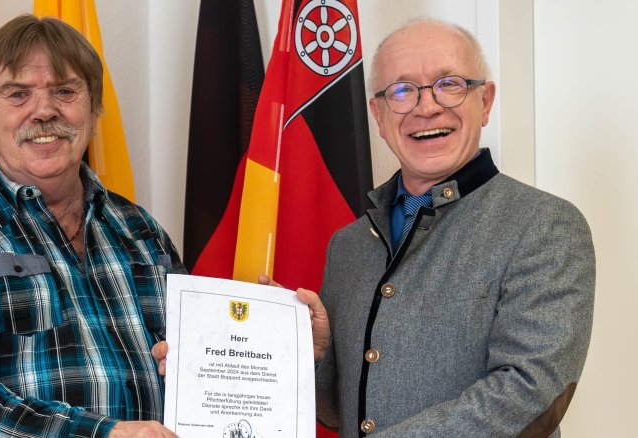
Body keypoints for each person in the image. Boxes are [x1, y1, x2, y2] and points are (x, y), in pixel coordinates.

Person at [155, 17, 594, 437]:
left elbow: (531, 394)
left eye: (449, 84)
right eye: (402, 90)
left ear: (486, 101)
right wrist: (313, 355)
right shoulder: (348, 245)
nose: (427, 107)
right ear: (379, 116)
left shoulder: (544, 226)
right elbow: (339, 411)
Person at [0, 15, 182, 437]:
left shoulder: (142, 231)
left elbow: (200, 363)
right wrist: (102, 433)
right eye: (18, 94)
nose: (44, 111)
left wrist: (277, 340)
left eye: (65, 91)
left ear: (94, 108)